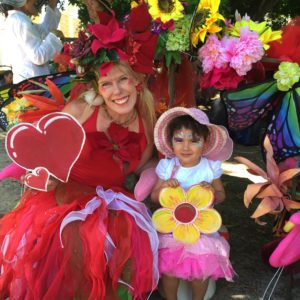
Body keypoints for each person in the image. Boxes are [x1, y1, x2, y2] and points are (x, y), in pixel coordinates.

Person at [0, 5, 160, 299]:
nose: (117, 91)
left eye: (123, 79)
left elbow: (145, 161)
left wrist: (157, 177)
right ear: (98, 88)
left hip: (113, 199)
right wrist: (39, 174)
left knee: (125, 245)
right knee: (74, 240)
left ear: (137, 81)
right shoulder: (81, 109)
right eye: (107, 84)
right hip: (66, 194)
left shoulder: (147, 118)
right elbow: (44, 148)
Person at [151, 107, 235, 300]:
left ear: (204, 143)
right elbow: (154, 197)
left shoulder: (209, 167)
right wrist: (164, 186)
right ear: (171, 142)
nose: (186, 147)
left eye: (194, 140)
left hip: (202, 231)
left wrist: (213, 192)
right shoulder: (168, 166)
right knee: (169, 270)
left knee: (201, 271)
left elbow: (222, 195)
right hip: (172, 229)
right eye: (179, 140)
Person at [0, 0, 63, 83]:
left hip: (28, 82)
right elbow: (38, 56)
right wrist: (54, 36)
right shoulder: (20, 21)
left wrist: (52, 6)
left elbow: (44, 31)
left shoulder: (15, 19)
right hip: (32, 84)